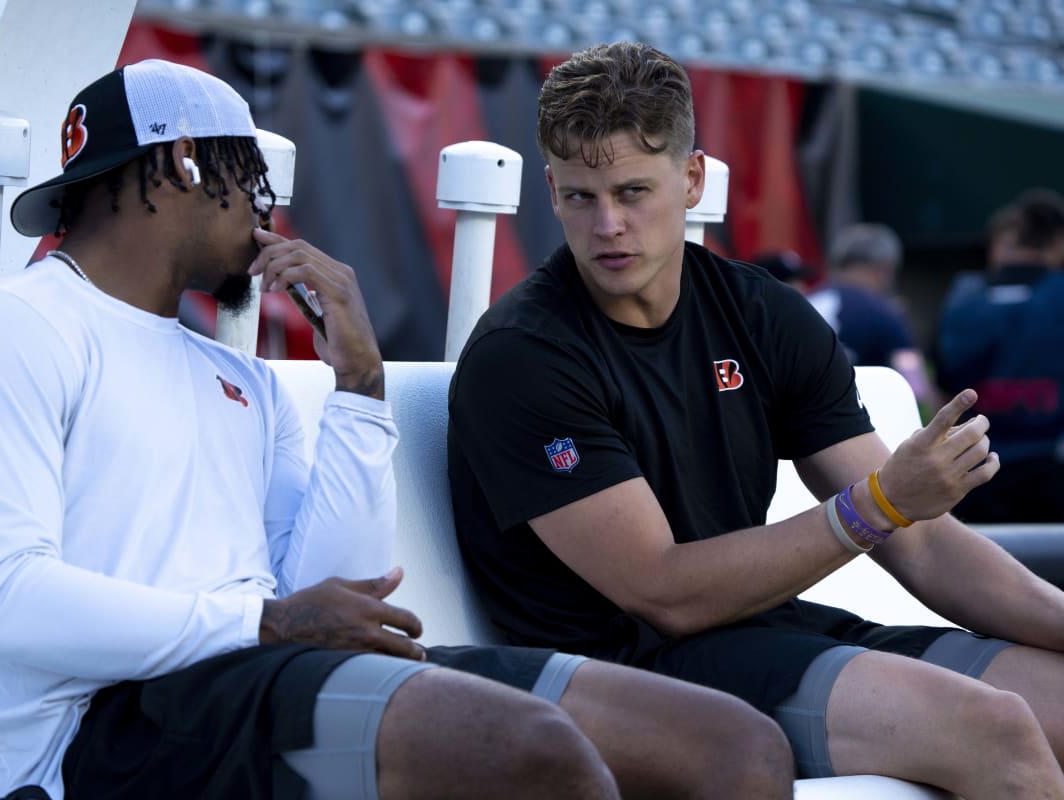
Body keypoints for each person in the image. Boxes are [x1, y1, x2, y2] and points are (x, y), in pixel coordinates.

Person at [0, 59, 795, 800]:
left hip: (254, 677)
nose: (265, 212)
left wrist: (359, 389)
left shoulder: (229, 372)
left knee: (727, 748)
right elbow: (1, 603)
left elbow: (336, 589)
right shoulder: (8, 327)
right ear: (180, 165)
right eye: (250, 178)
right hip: (104, 732)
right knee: (525, 751)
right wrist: (265, 623)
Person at [448, 41, 1064, 796]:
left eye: (634, 191)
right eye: (580, 196)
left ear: (694, 178)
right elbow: (663, 594)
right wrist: (877, 505)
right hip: (627, 672)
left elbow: (926, 545)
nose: (608, 224)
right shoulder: (525, 355)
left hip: (762, 630)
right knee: (994, 729)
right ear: (550, 188)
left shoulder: (760, 311)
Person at [936, 188, 1064, 522]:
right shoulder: (1056, 295)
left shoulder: (963, 296)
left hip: (972, 466)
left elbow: (940, 386)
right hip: (1048, 467)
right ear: (1055, 241)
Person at [806, 223, 940, 413]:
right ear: (884, 268)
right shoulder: (882, 312)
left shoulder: (804, 301)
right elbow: (915, 383)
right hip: (857, 424)